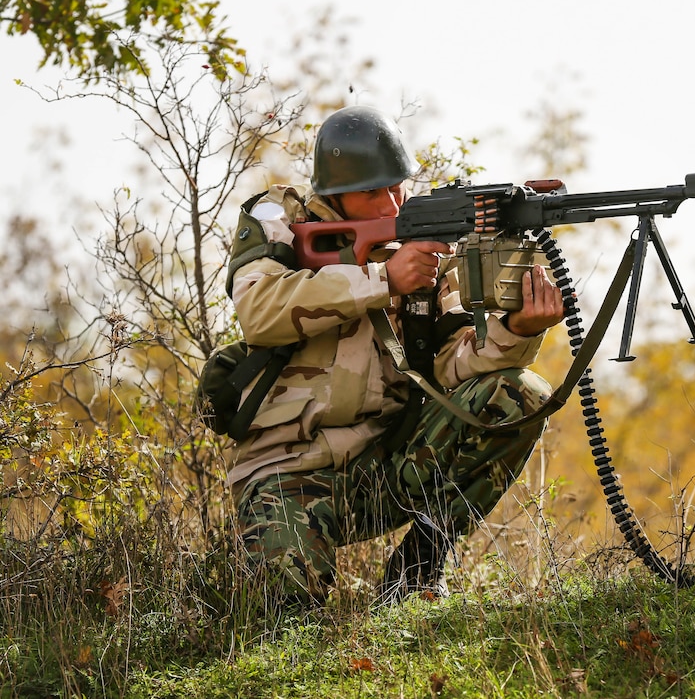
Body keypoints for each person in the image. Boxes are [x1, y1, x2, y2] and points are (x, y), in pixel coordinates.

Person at [223, 105, 565, 605]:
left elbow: (453, 365)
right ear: (333, 196)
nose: (390, 204)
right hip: (285, 473)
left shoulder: (421, 248)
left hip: (386, 469)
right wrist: (383, 280)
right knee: (285, 617)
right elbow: (258, 309)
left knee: (519, 395)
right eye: (371, 193)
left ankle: (415, 574)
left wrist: (516, 330)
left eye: (397, 188)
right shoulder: (278, 216)